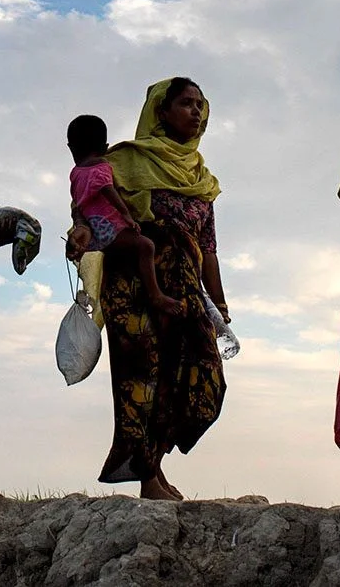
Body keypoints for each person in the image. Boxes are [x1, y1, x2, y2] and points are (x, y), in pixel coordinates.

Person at [98, 77, 230, 501]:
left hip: (187, 294)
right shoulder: (125, 162)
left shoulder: (201, 178)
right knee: (142, 378)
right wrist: (82, 234)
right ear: (162, 110)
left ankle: (154, 461)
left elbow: (207, 248)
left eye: (200, 105)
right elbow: (91, 206)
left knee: (203, 379)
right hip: (135, 285)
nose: (196, 112)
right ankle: (149, 476)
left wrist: (220, 303)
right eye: (186, 104)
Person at [66, 114, 182, 316]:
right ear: (106, 146)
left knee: (117, 257)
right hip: (109, 226)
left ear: (71, 147)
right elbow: (108, 190)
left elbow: (77, 202)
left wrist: (81, 226)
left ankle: (97, 279)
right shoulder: (101, 166)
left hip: (94, 228)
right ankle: (155, 294)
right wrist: (126, 215)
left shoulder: (75, 173)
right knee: (146, 246)